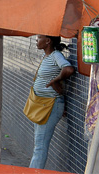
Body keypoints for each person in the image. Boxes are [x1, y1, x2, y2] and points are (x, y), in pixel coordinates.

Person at [29, 35, 74, 169]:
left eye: (39, 38)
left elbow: (68, 69)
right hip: (42, 105)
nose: (36, 40)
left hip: (49, 106)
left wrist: (56, 80)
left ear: (48, 41)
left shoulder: (56, 55)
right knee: (38, 145)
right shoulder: (47, 57)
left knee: (40, 147)